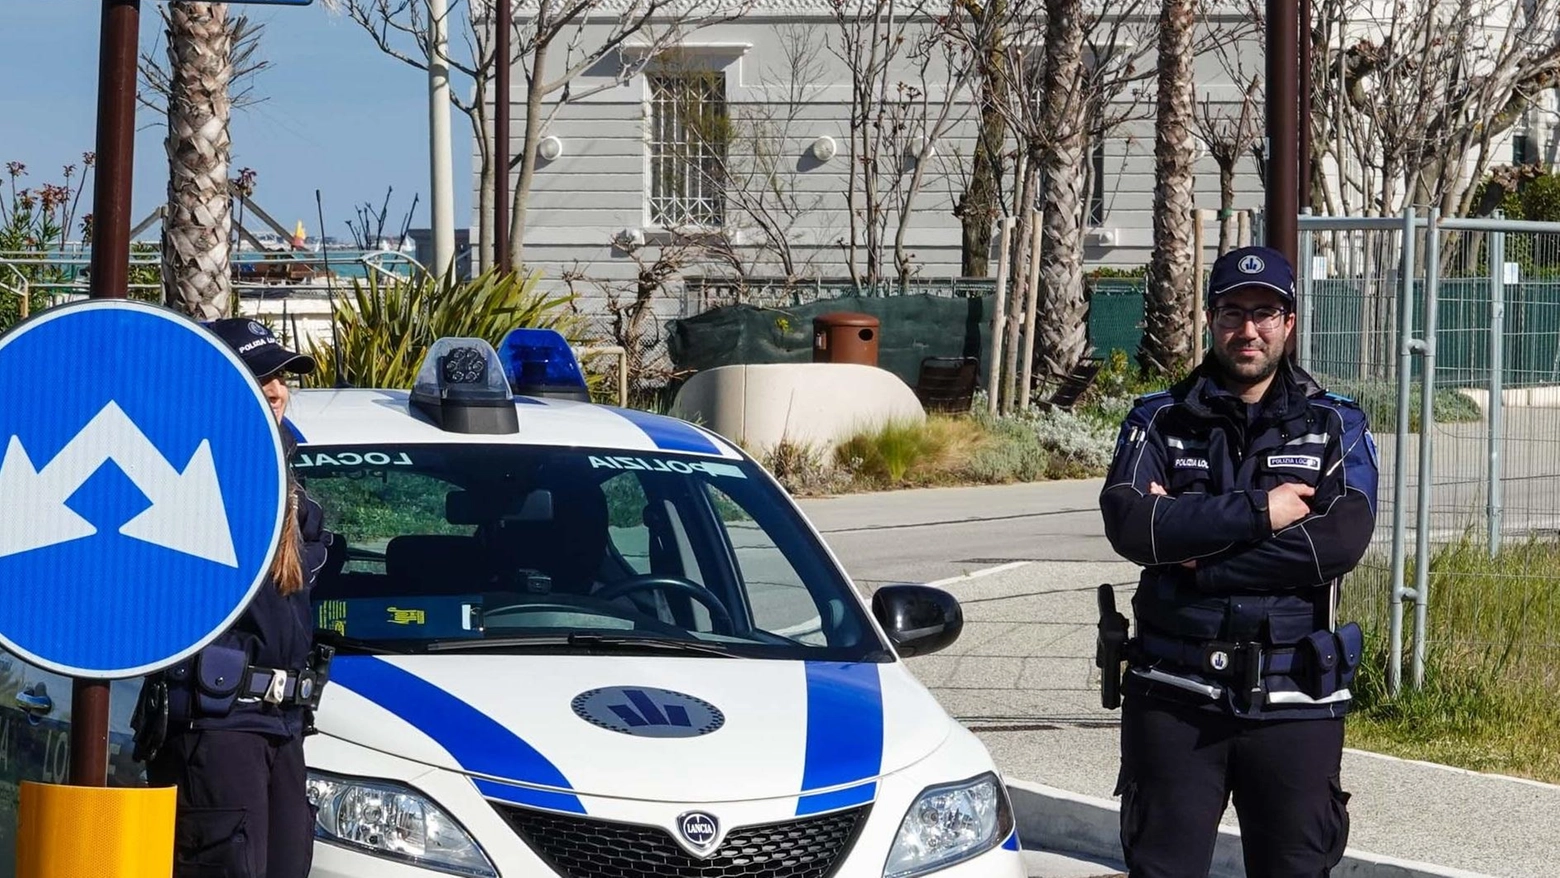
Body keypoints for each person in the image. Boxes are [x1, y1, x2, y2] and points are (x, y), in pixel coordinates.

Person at [1097, 246, 1379, 878]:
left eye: (1264, 312)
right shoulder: (1157, 419)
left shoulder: (1335, 424)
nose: (1247, 329)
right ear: (1209, 318)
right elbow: (1131, 524)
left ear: (1290, 322)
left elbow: (1340, 541)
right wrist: (1261, 512)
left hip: (1295, 699)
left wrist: (1199, 560)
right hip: (1173, 695)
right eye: (1231, 311)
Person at [132, 318, 334, 878]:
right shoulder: (189, 469)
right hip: (216, 723)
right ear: (219, 381)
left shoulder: (287, 472)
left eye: (284, 376)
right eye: (259, 374)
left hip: (284, 722)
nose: (276, 388)